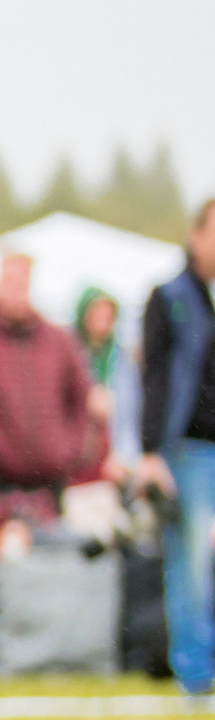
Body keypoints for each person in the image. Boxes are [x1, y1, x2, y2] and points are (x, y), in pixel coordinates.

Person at [136, 197, 215, 694]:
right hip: (187, 448)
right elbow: (156, 379)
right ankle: (195, 671)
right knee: (191, 562)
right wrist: (150, 452)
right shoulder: (171, 298)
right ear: (196, 236)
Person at [0, 250, 91, 508]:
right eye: (10, 281)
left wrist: (70, 447)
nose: (16, 290)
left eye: (22, 282)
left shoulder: (57, 340)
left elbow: (79, 395)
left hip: (49, 476)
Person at [72, 285, 140, 477]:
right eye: (97, 314)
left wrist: (124, 455)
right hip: (77, 452)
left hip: (111, 453)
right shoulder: (71, 352)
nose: (102, 320)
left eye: (107, 315)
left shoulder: (121, 358)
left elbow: (130, 409)